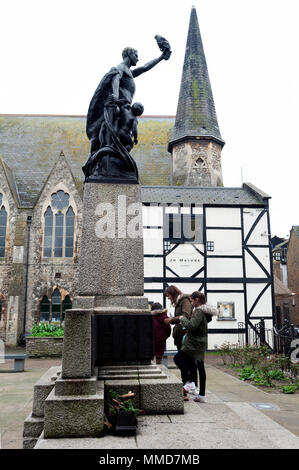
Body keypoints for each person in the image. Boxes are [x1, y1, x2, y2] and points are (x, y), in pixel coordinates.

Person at [83, 47, 169, 178]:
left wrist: (161, 58)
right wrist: (116, 96)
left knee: (123, 139)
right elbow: (115, 79)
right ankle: (99, 161)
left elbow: (145, 67)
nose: (138, 58)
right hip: (120, 106)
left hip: (126, 108)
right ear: (129, 54)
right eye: (136, 55)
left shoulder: (129, 71)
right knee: (115, 136)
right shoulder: (120, 68)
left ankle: (113, 159)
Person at [165, 291, 217, 403]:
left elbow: (192, 325)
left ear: (197, 300)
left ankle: (190, 383)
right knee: (200, 367)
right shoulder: (202, 311)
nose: (191, 302)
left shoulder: (198, 311)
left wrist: (181, 318)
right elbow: (196, 325)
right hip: (199, 343)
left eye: (192, 300)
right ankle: (201, 395)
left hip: (194, 344)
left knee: (178, 358)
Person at [164, 285, 192, 351]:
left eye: (168, 296)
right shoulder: (178, 302)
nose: (168, 298)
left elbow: (185, 315)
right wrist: (170, 320)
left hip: (185, 335)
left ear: (173, 294)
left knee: (181, 359)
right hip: (180, 334)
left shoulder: (185, 301)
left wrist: (172, 319)